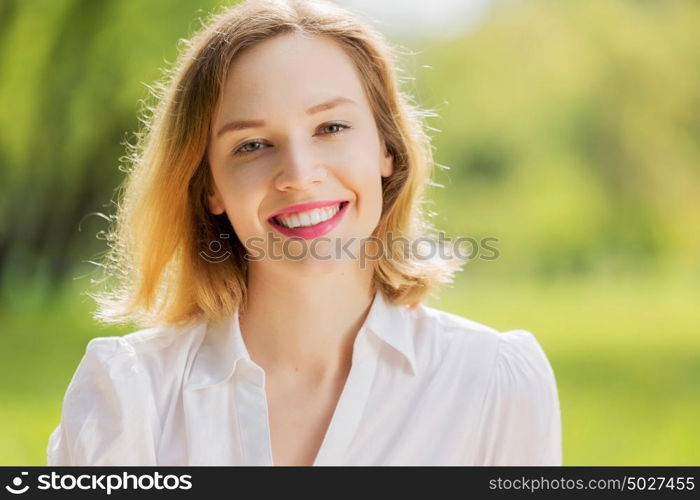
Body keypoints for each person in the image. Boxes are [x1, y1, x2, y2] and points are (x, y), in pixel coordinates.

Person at [46, 0, 561, 466]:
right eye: (251, 145)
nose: (298, 172)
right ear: (210, 188)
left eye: (331, 128)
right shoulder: (131, 393)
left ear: (387, 148)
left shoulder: (494, 382)